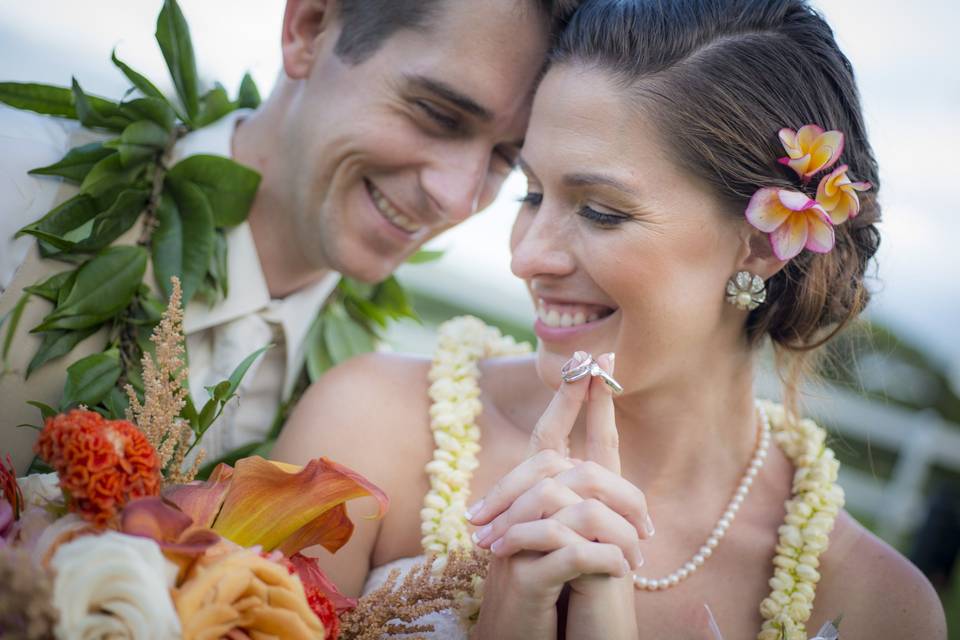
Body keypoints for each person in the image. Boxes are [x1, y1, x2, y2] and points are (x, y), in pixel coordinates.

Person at [272, 0, 948, 637]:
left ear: (766, 241)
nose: (528, 257)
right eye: (532, 192)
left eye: (601, 211)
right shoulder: (369, 435)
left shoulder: (878, 605)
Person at [0, 0, 577, 472]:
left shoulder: (369, 418)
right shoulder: (18, 181)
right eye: (438, 115)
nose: (457, 197)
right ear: (308, 29)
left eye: (506, 158)